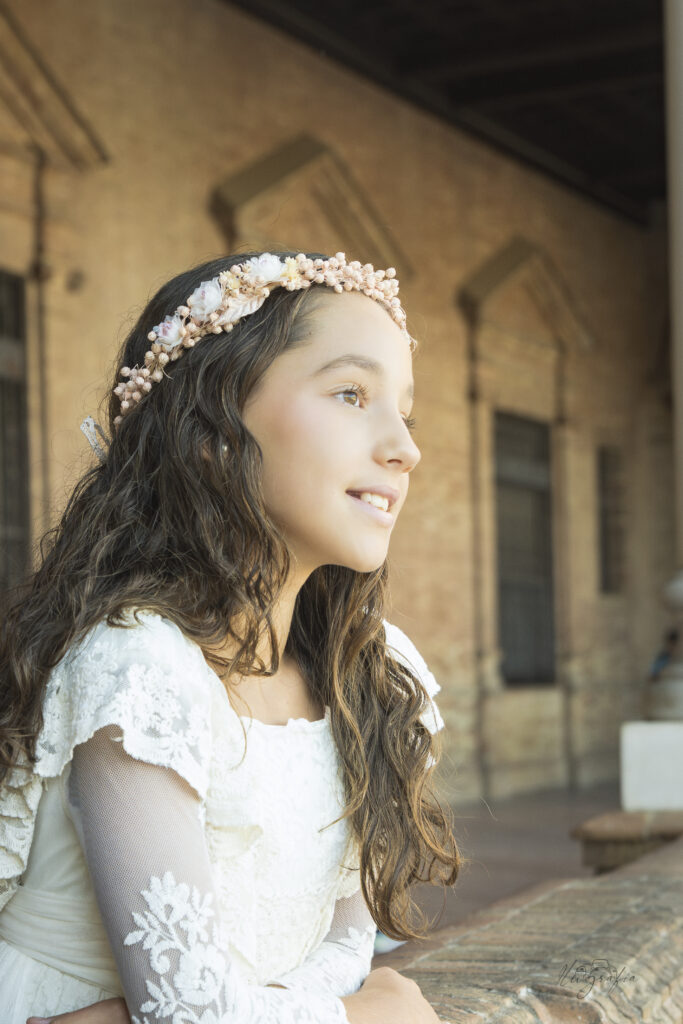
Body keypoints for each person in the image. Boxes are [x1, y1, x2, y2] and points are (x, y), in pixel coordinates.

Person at [0, 249, 462, 1024]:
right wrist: (371, 1018)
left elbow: (345, 944)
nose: (404, 448)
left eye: (404, 412)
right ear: (212, 427)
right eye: (351, 394)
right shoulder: (139, 664)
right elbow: (190, 1013)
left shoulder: (368, 671)